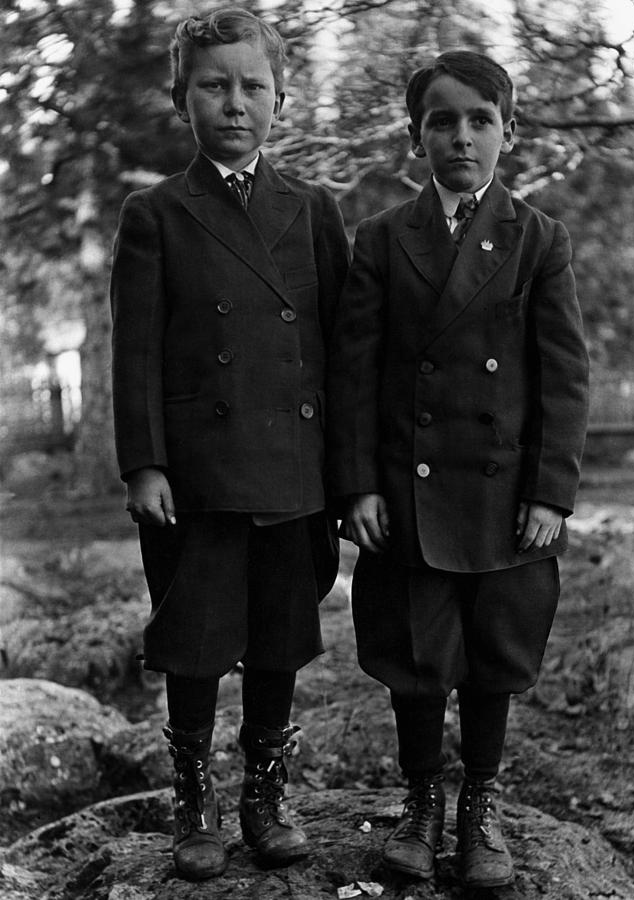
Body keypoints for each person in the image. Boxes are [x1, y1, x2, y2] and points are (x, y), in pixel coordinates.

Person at [327, 50, 589, 889]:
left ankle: (479, 803)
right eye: (442, 120)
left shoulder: (537, 238)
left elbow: (564, 375)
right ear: (416, 137)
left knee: (491, 655)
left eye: (480, 119)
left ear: (507, 133)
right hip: (409, 491)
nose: (461, 136)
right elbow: (354, 373)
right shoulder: (379, 238)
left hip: (506, 493)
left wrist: (551, 490)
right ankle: (419, 802)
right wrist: (358, 484)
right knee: (415, 653)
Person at [110, 7, 349, 882]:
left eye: (252, 86)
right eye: (214, 86)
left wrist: (346, 474)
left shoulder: (314, 211)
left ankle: (265, 796)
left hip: (293, 468)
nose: (235, 104)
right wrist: (144, 461)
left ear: (280, 98)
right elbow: (135, 348)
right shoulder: (156, 213)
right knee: (197, 639)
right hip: (198, 477)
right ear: (183, 99)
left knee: (280, 637)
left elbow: (340, 353)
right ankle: (194, 802)